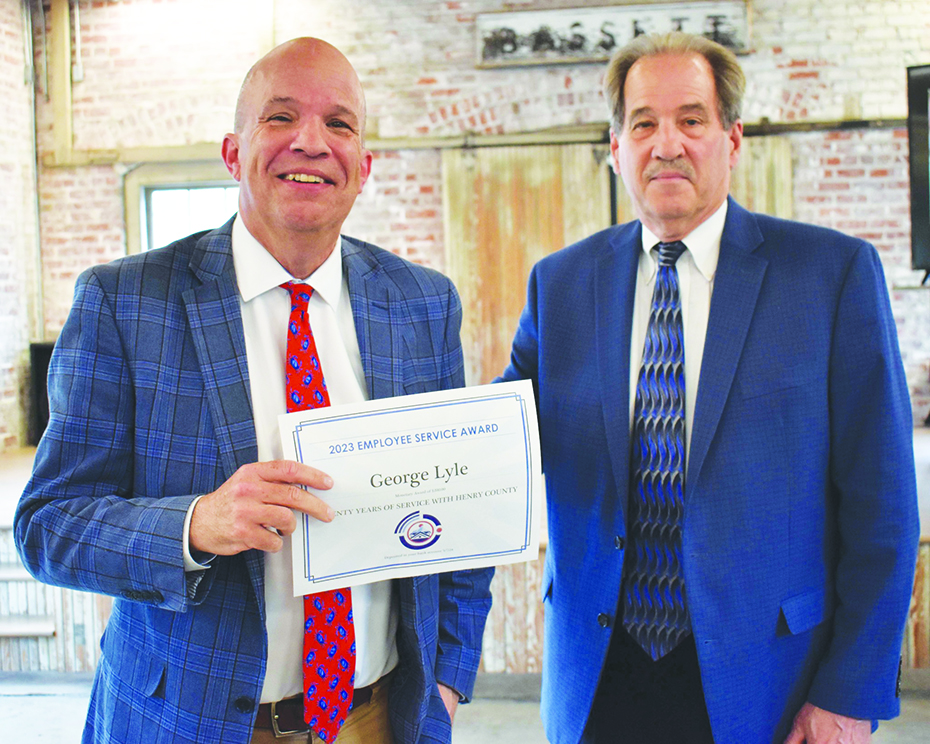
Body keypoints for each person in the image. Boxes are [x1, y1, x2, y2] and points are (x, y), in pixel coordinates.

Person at [15, 38, 492, 744]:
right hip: (191, 722)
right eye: (280, 117)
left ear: (364, 167)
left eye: (339, 124)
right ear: (233, 153)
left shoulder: (423, 305)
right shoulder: (126, 301)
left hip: (377, 719)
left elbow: (462, 508)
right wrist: (194, 525)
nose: (310, 141)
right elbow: (47, 525)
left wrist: (449, 679)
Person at [499, 31, 919, 744]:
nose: (667, 144)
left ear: (733, 138)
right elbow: (497, 443)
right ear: (614, 148)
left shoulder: (830, 277)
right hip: (600, 676)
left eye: (691, 120)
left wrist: (849, 693)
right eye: (644, 123)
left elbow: (883, 507)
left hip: (768, 678)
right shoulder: (562, 286)